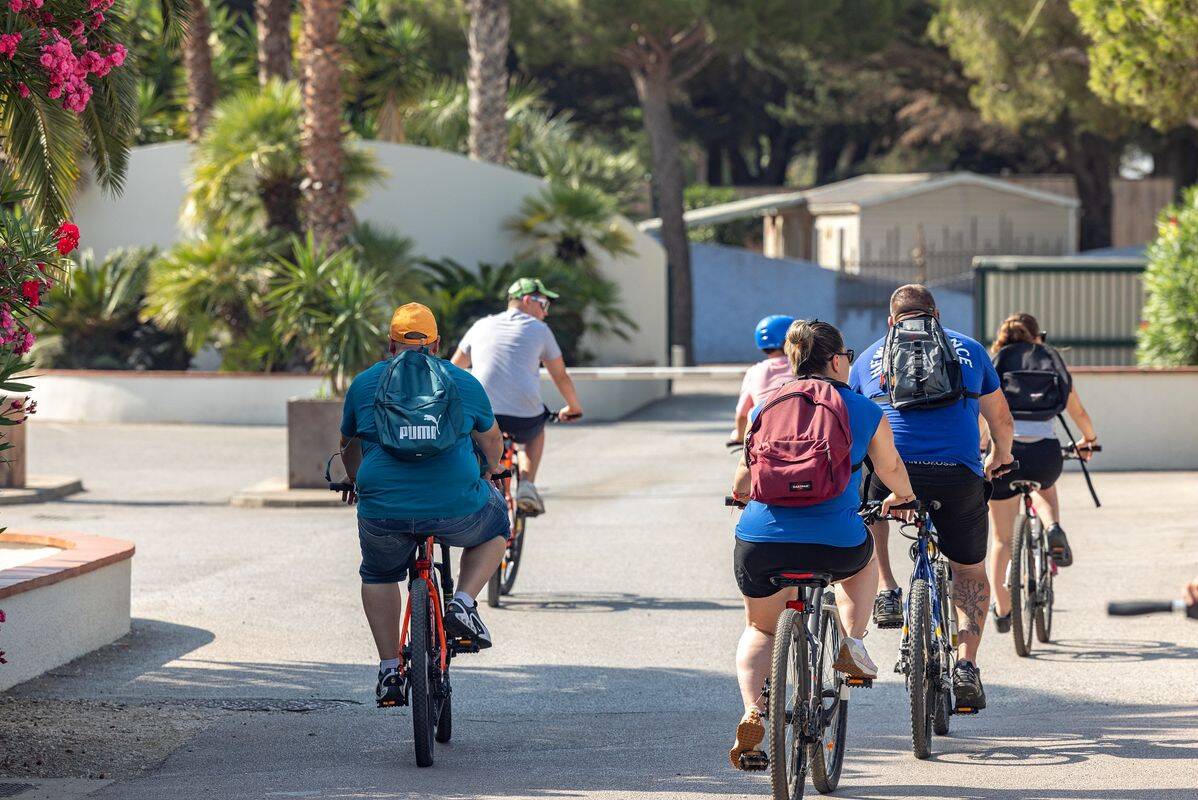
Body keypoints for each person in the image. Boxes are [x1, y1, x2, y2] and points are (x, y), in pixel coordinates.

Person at [728, 319, 918, 769]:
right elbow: (889, 466)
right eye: (848, 356)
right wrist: (905, 497)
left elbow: (743, 476)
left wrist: (738, 496)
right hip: (834, 542)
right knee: (862, 563)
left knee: (760, 629)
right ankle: (852, 643)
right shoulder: (862, 407)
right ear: (836, 360)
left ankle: (755, 709)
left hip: (763, 541)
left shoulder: (766, 404)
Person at [849, 284, 1014, 710]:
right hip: (957, 477)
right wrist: (1000, 457)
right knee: (969, 571)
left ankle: (887, 588)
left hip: (896, 475)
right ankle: (966, 664)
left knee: (873, 506)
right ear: (936, 315)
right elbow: (1001, 419)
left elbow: (854, 422)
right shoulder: (971, 350)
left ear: (892, 321)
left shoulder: (869, 356)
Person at [339, 302, 510, 705]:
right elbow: (492, 443)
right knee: (497, 525)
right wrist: (488, 473)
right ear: (436, 343)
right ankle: (464, 603)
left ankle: (388, 670)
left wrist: (354, 479)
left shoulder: (365, 384)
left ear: (391, 343)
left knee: (379, 574)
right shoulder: (461, 381)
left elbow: (348, 445)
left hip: (384, 508)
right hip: (455, 504)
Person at [986, 312, 1099, 632]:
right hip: (1045, 453)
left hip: (1005, 454)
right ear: (1038, 337)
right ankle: (1052, 527)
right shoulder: (1049, 360)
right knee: (1045, 487)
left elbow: (984, 418)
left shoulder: (998, 362)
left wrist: (985, 451)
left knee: (1002, 541)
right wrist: (1089, 440)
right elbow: (1077, 410)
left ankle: (1004, 610)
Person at [451, 277, 582, 516]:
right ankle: (527, 486)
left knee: (478, 443)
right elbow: (560, 376)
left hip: (483, 415)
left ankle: (479, 489)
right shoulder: (540, 330)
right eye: (544, 305)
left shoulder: (480, 325)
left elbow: (454, 369)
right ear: (528, 300)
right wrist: (573, 407)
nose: (545, 313)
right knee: (536, 431)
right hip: (523, 416)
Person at [728, 315, 795, 445]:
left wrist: (739, 436)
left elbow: (742, 415)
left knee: (746, 464)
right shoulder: (803, 366)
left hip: (765, 442)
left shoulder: (754, 371)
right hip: (800, 437)